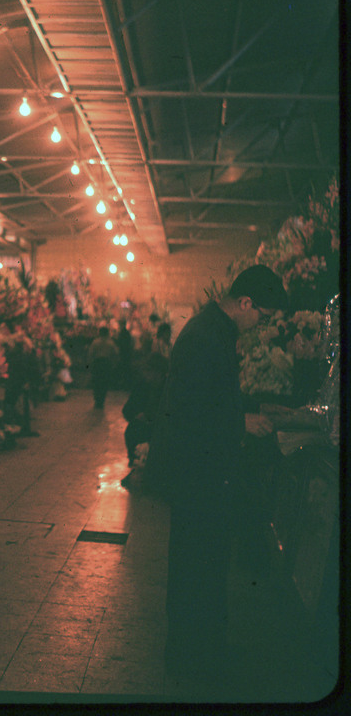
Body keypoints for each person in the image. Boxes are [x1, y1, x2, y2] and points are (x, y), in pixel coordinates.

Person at [146, 265, 288, 686]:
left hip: (206, 471)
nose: (259, 324)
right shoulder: (206, 336)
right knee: (196, 565)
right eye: (261, 315)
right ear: (245, 303)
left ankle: (206, 647)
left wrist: (249, 407)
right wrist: (240, 422)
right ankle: (190, 658)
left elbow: (213, 394)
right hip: (196, 473)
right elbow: (191, 410)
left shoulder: (214, 330)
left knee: (208, 564)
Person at [87, 325, 118, 409]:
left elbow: (91, 354)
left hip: (97, 363)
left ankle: (97, 399)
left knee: (97, 382)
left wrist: (90, 364)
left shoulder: (95, 342)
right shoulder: (111, 343)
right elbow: (115, 354)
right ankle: (102, 399)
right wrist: (113, 364)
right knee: (104, 382)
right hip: (106, 364)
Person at [115, 319, 134, 389]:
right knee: (125, 368)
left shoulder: (122, 333)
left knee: (124, 368)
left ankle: (124, 384)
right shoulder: (126, 333)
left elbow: (121, 343)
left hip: (124, 353)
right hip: (126, 353)